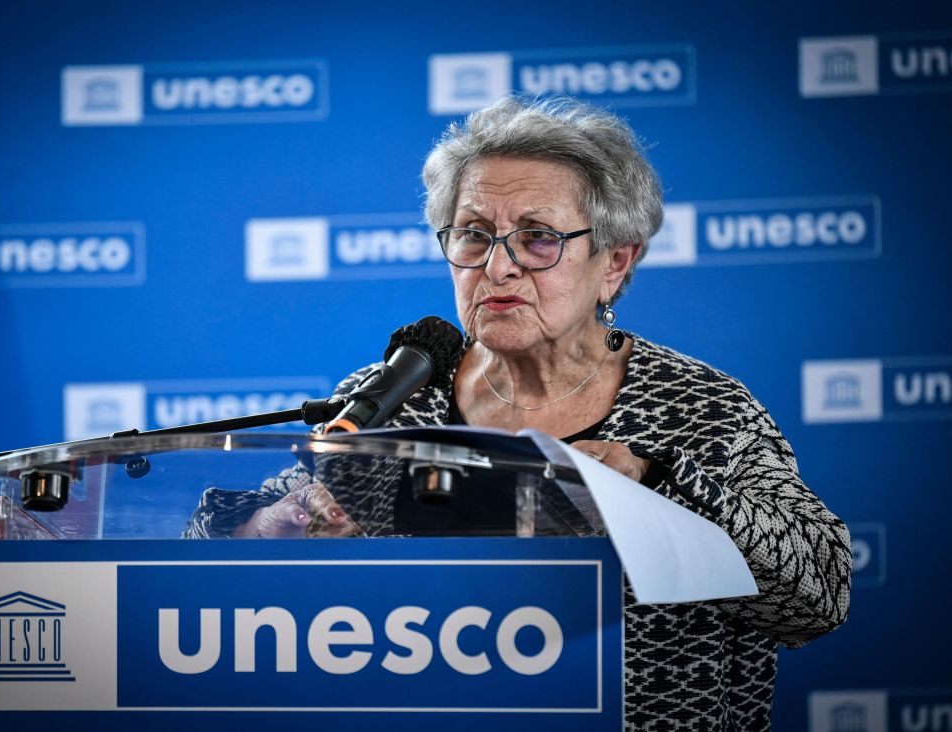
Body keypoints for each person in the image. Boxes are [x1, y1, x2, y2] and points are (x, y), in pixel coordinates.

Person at [186, 94, 852, 730]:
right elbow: (219, 572)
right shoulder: (392, 399)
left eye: (537, 238)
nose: (497, 268)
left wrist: (657, 488)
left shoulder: (700, 412)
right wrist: (269, 525)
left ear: (614, 262)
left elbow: (816, 597)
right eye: (474, 235)